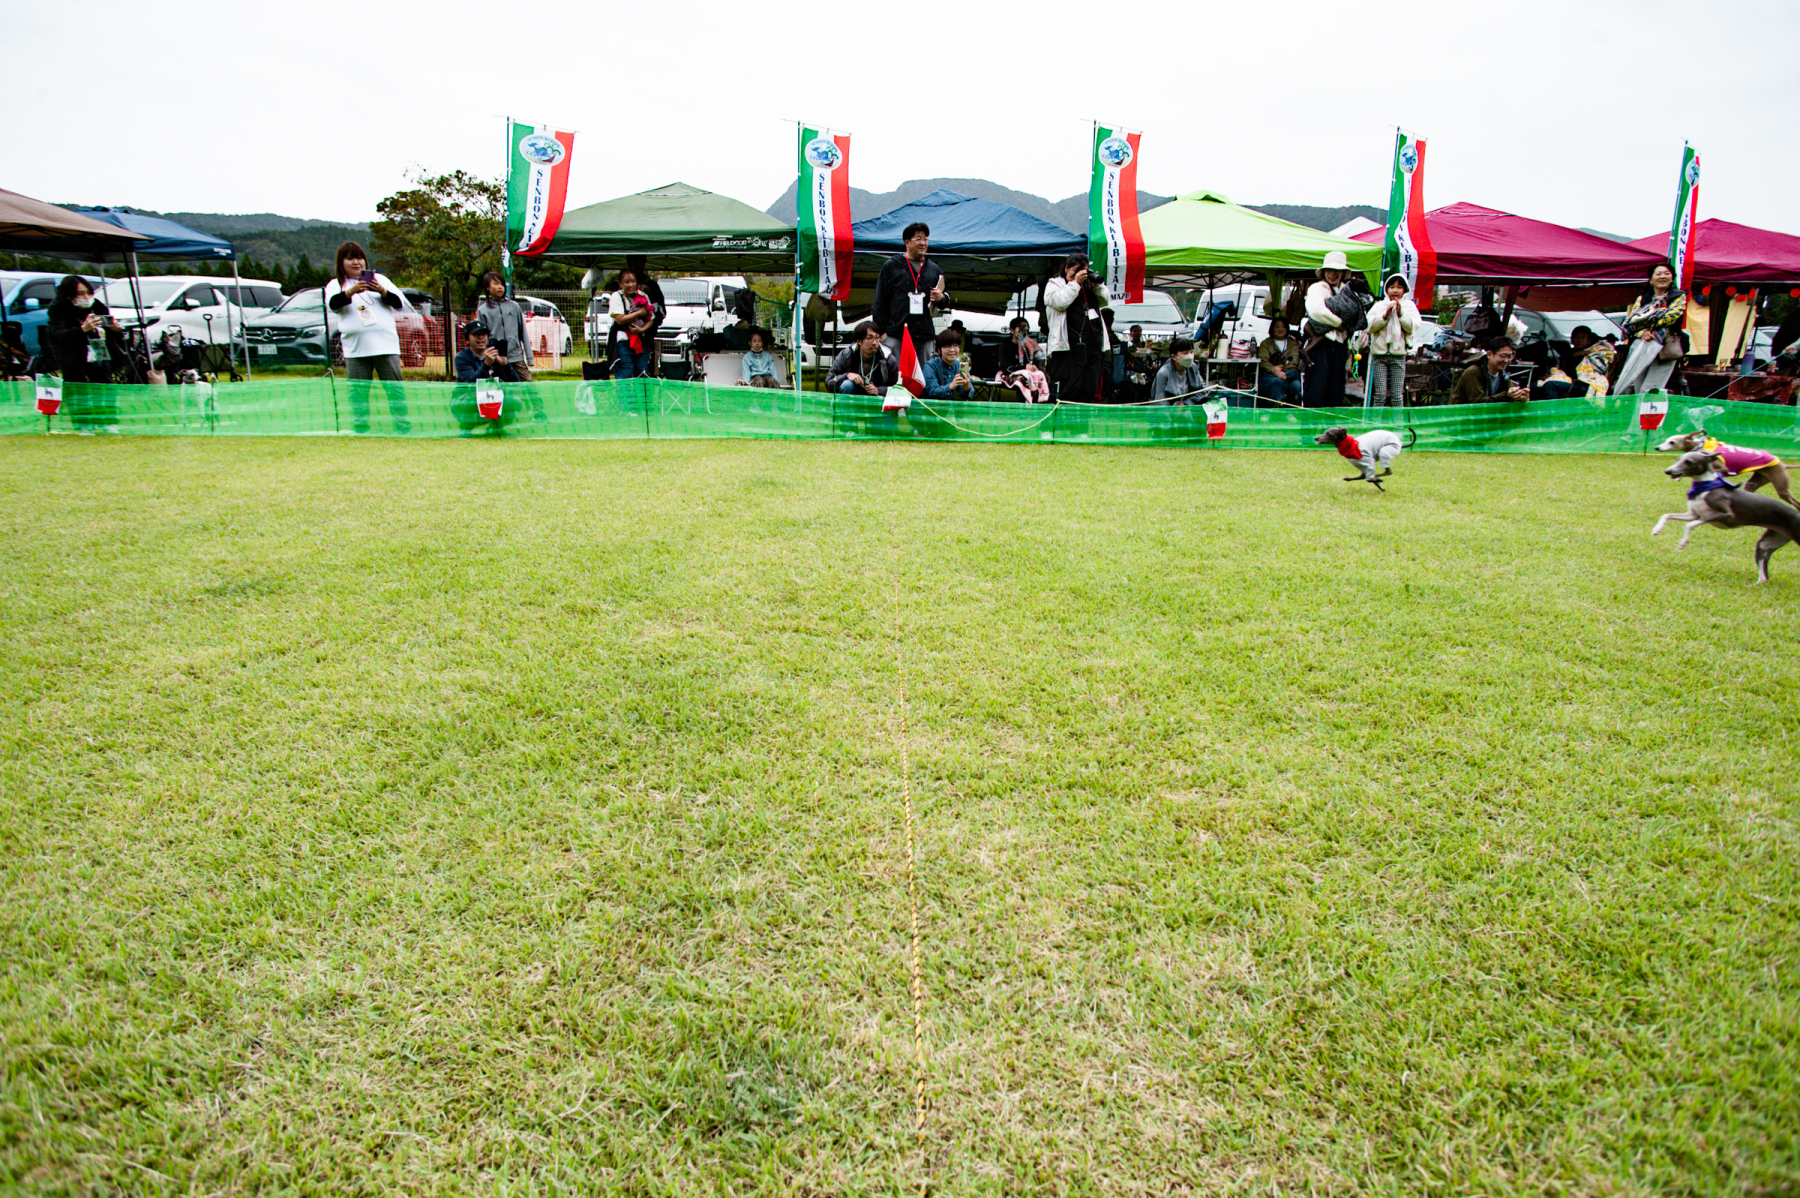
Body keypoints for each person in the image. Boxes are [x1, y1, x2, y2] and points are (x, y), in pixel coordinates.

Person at [323, 241, 410, 433]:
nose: (356, 262)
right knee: (358, 392)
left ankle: (402, 427)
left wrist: (382, 291)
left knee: (394, 389)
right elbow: (333, 304)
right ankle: (360, 427)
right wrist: (350, 292)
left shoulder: (380, 280)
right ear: (341, 262)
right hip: (356, 349)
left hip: (386, 347)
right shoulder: (335, 284)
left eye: (359, 258)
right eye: (350, 258)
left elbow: (399, 303)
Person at [870, 222, 945, 359]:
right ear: (907, 242)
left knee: (923, 372)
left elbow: (945, 298)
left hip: (924, 335)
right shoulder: (892, 266)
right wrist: (881, 333)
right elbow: (880, 301)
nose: (923, 243)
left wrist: (942, 298)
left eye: (926, 239)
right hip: (896, 334)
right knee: (896, 372)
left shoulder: (934, 269)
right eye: (918, 239)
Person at [1614, 262, 1689, 395]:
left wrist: (1647, 326)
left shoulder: (1679, 297)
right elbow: (1633, 321)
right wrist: (1643, 332)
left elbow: (1670, 317)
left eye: (1667, 274)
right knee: (1638, 389)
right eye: (1658, 274)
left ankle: (1648, 409)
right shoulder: (1642, 299)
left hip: (1665, 347)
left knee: (1649, 390)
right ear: (1651, 280)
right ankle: (1639, 410)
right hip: (1642, 345)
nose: (1662, 276)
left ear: (1672, 278)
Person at [1044, 253, 1110, 402]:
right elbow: (1060, 302)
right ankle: (1061, 417)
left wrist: (1097, 287)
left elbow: (1106, 300)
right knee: (1068, 390)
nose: (1079, 275)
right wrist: (1075, 283)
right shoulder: (1054, 284)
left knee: (1089, 389)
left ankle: (1083, 417)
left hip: (1092, 347)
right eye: (1075, 271)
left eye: (1082, 272)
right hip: (1068, 349)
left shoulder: (1089, 286)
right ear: (1066, 268)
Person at [46, 275, 123, 385]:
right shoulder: (57, 308)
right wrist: (82, 329)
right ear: (69, 295)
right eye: (80, 293)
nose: (86, 297)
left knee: (104, 382)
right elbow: (58, 334)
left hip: (98, 348)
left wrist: (115, 330)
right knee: (77, 385)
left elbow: (110, 331)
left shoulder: (96, 305)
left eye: (88, 292)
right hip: (71, 354)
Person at [1302, 251, 1355, 406]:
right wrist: (1339, 323)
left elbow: (1356, 312)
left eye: (1337, 270)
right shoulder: (1317, 288)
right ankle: (1311, 422)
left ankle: (1331, 422)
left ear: (1343, 272)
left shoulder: (1348, 291)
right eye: (1329, 270)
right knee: (1315, 391)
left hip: (1340, 347)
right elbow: (1316, 310)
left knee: (1336, 393)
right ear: (1324, 271)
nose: (1333, 274)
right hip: (1320, 346)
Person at [1364, 273, 1418, 408]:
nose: (1395, 290)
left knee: (1397, 395)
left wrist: (1401, 314)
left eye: (1399, 287)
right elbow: (1368, 326)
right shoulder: (1379, 306)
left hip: (1398, 355)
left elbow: (1413, 327)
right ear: (1386, 289)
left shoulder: (1409, 306)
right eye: (1392, 287)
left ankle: (1397, 420)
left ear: (1405, 290)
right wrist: (1384, 316)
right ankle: (1376, 420)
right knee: (1380, 394)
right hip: (1379, 355)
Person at [474, 271, 533, 381]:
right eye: (496, 284)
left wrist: (530, 358)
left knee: (529, 386)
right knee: (501, 389)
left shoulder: (514, 306)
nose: (500, 287)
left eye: (502, 284)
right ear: (487, 287)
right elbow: (481, 337)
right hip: (496, 359)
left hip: (516, 357)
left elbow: (523, 332)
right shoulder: (483, 310)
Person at [607, 268, 657, 380]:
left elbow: (651, 319)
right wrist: (639, 313)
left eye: (633, 281)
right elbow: (620, 319)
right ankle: (624, 392)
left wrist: (641, 330)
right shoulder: (616, 296)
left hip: (640, 341)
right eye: (627, 282)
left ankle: (640, 393)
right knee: (625, 371)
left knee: (642, 373)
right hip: (622, 342)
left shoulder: (643, 296)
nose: (631, 285)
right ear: (620, 284)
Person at [827, 321, 897, 396]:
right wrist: (847, 375)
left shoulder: (888, 358)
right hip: (853, 394)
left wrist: (879, 391)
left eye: (877, 338)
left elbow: (898, 388)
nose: (874, 343)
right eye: (869, 338)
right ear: (859, 341)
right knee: (847, 385)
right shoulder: (846, 355)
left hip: (878, 398)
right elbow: (829, 381)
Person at [1315, 425, 1403, 484]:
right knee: (1357, 459)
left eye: (1329, 435)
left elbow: (1370, 462)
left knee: (1381, 453)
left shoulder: (1360, 448)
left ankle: (1387, 471)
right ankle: (1365, 475)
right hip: (1380, 441)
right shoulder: (1351, 447)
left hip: (1391, 443)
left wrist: (1371, 477)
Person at [1452, 339, 1531, 403]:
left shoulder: (1503, 374)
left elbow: (1510, 393)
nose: (1506, 360)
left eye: (1510, 356)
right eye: (1503, 356)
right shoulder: (1473, 372)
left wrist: (1520, 397)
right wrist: (1506, 396)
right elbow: (1477, 402)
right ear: (1489, 354)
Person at [1256, 317, 1304, 406]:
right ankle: (1270, 408)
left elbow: (1294, 360)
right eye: (1277, 327)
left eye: (1283, 327)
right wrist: (1275, 371)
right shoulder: (1266, 343)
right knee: (1275, 382)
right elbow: (1263, 361)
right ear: (1272, 328)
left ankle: (1289, 410)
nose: (1280, 329)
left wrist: (1280, 369)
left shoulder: (1292, 343)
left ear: (1287, 329)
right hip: (1270, 375)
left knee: (1296, 386)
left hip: (1289, 374)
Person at [454, 320, 519, 382]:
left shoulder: (494, 355)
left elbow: (515, 382)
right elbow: (470, 382)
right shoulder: (462, 358)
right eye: (475, 334)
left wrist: (505, 365)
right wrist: (486, 364)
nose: (480, 337)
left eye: (483, 334)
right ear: (467, 340)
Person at [921, 329, 975, 400]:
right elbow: (932, 391)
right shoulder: (930, 365)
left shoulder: (960, 365)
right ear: (939, 349)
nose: (952, 350)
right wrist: (951, 386)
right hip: (930, 405)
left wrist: (966, 387)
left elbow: (966, 395)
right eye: (948, 346)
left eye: (955, 346)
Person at [1150, 337, 1203, 404]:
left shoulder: (1193, 367)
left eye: (1191, 352)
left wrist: (1185, 403)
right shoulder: (1163, 373)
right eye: (1185, 353)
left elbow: (1201, 391)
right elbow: (1160, 401)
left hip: (1188, 407)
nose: (1190, 356)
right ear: (1174, 357)